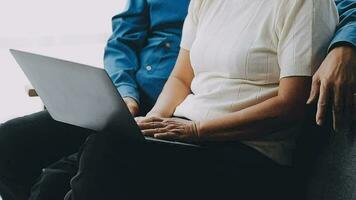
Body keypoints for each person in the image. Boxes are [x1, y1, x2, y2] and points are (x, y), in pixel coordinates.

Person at [60, 0, 340, 199]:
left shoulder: (306, 4)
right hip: (188, 136)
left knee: (107, 151)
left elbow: (291, 105)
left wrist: (195, 130)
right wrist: (154, 120)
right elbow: (181, 77)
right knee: (60, 176)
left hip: (247, 151)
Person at [0, 1, 190, 200]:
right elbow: (121, 42)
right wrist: (126, 92)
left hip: (173, 112)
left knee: (52, 184)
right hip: (125, 102)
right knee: (8, 140)